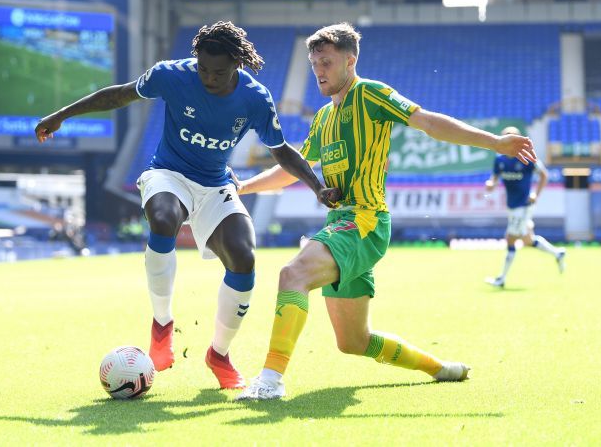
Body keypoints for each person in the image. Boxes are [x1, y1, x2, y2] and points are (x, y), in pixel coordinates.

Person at [233, 23, 538, 400]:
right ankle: (439, 368)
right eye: (314, 65)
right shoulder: (324, 118)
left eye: (326, 62)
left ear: (350, 60)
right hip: (342, 224)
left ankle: (269, 382)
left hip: (365, 222)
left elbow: (427, 122)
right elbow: (292, 169)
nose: (319, 72)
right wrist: (243, 187)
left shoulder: (370, 93)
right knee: (353, 341)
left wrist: (495, 143)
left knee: (292, 274)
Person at [35, 21, 339, 389]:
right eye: (203, 69)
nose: (209, 78)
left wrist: (316, 187)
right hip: (168, 174)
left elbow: (283, 152)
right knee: (163, 219)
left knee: (244, 256)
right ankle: (162, 325)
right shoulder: (171, 75)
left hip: (215, 184)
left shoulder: (255, 98)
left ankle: (219, 354)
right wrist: (62, 115)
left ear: (237, 66)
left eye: (219, 72)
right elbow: (119, 94)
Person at [484, 127, 566, 288]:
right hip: (512, 205)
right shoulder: (500, 160)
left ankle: (501, 279)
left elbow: (544, 175)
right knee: (528, 240)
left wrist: (536, 194)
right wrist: (491, 184)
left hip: (523, 205)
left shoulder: (526, 157)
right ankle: (558, 253)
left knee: (510, 238)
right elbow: (494, 178)